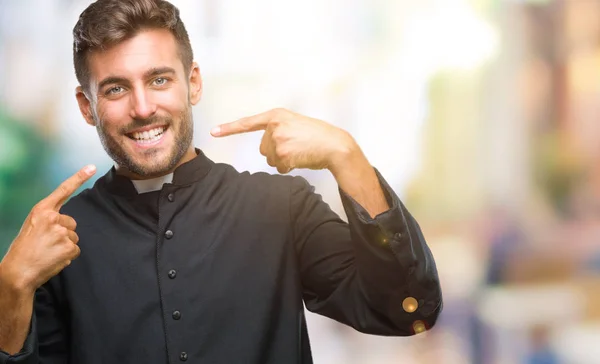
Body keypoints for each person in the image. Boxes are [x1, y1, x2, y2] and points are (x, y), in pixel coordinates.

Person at [0, 0, 442, 363]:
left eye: (159, 80)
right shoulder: (61, 239)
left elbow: (408, 310)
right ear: (86, 105)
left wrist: (347, 157)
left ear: (193, 84)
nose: (142, 107)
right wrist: (10, 289)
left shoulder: (280, 208)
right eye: (116, 89)